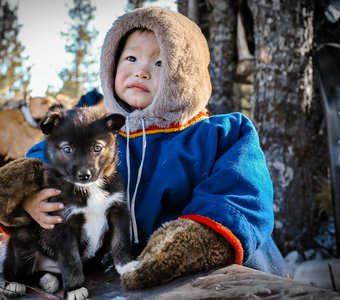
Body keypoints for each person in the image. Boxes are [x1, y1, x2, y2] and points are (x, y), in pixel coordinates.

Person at [0, 6, 287, 289]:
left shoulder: (220, 133)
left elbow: (240, 195)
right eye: (131, 58)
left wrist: (194, 241)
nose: (142, 71)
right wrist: (29, 197)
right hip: (131, 281)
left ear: (187, 73)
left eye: (160, 63)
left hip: (232, 279)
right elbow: (47, 157)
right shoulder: (100, 133)